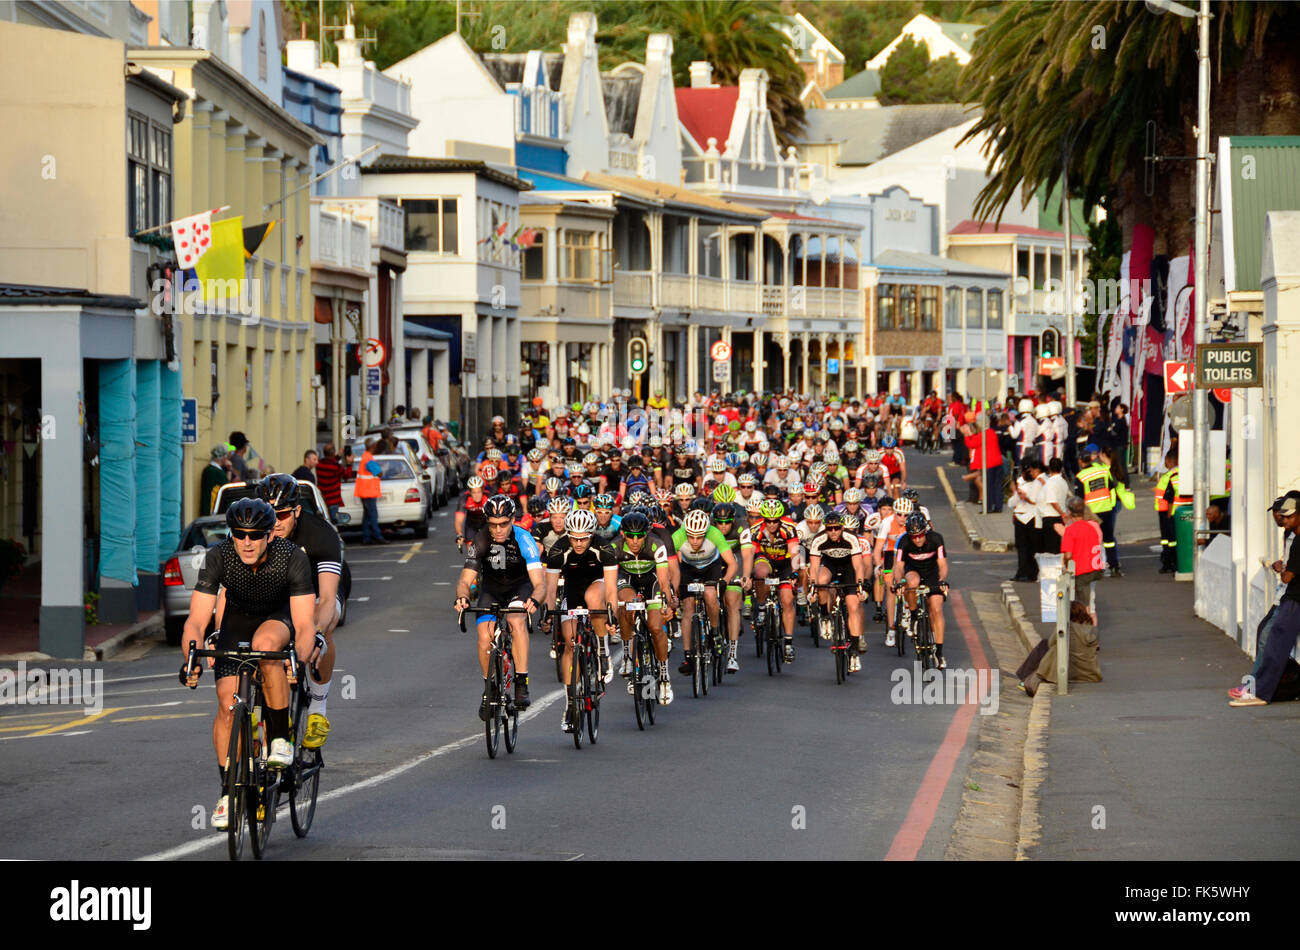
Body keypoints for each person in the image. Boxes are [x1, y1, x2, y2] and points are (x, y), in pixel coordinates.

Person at [180, 498, 318, 830]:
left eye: (255, 535)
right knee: (228, 707)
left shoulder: (292, 557)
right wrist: (191, 659)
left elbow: (304, 624)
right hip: (237, 620)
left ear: (270, 534)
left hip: (278, 616)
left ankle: (281, 739)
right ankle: (229, 792)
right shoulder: (220, 556)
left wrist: (297, 660)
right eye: (239, 534)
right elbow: (196, 622)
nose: (246, 542)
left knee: (266, 647)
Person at [258, 474, 344, 750]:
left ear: (296, 510)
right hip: (282, 595)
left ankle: (318, 708)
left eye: (282, 514)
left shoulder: (320, 534)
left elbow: (329, 598)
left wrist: (316, 633)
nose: (275, 521)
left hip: (319, 592)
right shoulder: (257, 533)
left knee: (322, 623)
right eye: (269, 513)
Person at [454, 495, 544, 716]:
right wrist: (462, 597)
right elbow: (465, 581)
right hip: (491, 590)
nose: (499, 529)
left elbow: (540, 584)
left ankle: (521, 682)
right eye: (493, 525)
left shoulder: (524, 538)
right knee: (484, 637)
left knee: (515, 619)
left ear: (512, 519)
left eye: (504, 523)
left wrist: (535, 599)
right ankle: (490, 689)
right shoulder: (480, 539)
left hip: (519, 588)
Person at [1231, 495, 1300, 706]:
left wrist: (1286, 570)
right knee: (1268, 635)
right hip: (1289, 596)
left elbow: (1288, 576)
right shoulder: (1292, 537)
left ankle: (1259, 691)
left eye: (1287, 517)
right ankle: (1258, 686)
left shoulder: (1298, 541)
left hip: (1294, 598)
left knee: (1274, 640)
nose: (1282, 520)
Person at [1075, 446, 1121, 576]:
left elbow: (1079, 499)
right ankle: (1114, 566)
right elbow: (1112, 488)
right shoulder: (1102, 471)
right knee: (1109, 539)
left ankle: (1093, 567)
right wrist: (1111, 506)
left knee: (1091, 541)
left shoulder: (1081, 476)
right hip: (1106, 509)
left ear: (1080, 461)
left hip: (1092, 514)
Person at [1058, 497, 1105, 619]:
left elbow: (1068, 554)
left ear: (1069, 512)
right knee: (1091, 601)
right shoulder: (1092, 526)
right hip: (1095, 568)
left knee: (1083, 606)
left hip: (1082, 571)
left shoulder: (1071, 530)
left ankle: (1087, 632)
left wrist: (1067, 567)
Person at [1011, 458, 1044, 582]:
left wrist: (1026, 497)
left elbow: (1036, 500)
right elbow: (1015, 500)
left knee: (1032, 547)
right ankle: (1021, 572)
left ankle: (1032, 573)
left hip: (1032, 516)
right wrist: (1014, 512)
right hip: (1020, 516)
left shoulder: (1038, 482)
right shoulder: (1020, 482)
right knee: (1021, 547)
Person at [354, 438, 385, 545]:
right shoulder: (368, 459)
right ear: (372, 446)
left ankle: (366, 538)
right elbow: (379, 473)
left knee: (367, 516)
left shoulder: (365, 457)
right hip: (369, 492)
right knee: (372, 515)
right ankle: (377, 536)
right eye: (375, 445)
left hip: (364, 492)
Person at [1038, 457, 1069, 555]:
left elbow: (1053, 502)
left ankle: (1052, 569)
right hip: (1059, 518)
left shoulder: (1051, 483)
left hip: (1050, 518)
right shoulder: (1063, 482)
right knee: (1057, 547)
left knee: (1050, 549)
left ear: (1049, 469)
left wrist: (1062, 513)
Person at [199, 444, 234, 517]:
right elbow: (228, 488)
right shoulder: (217, 472)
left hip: (206, 508)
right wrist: (229, 469)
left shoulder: (208, 469)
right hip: (213, 510)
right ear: (223, 458)